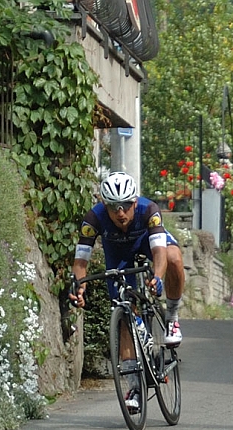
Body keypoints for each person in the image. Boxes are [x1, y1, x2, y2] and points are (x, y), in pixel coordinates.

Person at [69, 172, 185, 411]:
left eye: (124, 206)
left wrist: (158, 277)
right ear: (104, 205)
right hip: (118, 255)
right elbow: (81, 262)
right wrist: (80, 286)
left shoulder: (148, 210)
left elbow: (160, 251)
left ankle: (172, 317)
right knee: (123, 313)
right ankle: (134, 387)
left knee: (174, 258)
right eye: (113, 207)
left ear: (134, 202)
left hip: (146, 241)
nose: (119, 212)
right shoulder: (94, 219)